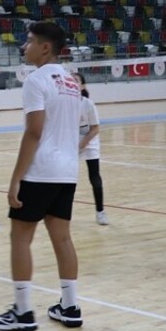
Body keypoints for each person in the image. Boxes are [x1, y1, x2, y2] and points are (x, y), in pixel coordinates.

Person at [0, 21, 83, 331]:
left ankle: (23, 311)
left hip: (41, 171)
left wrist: (16, 178)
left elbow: (34, 132)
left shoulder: (35, 80)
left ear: (46, 48)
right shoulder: (71, 81)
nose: (24, 46)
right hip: (67, 171)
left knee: (21, 237)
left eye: (29, 41)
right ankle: (70, 307)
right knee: (63, 238)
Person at [74, 71, 108, 225]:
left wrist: (83, 144)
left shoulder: (88, 104)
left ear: (82, 86)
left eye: (76, 81)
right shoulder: (65, 104)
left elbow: (95, 128)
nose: (73, 83)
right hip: (72, 143)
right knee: (67, 179)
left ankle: (100, 212)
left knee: (95, 178)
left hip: (90, 142)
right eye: (70, 81)